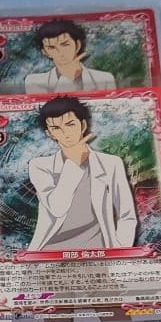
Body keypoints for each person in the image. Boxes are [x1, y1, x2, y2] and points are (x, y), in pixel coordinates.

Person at [27, 96, 137, 251]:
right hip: (50, 251)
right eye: (56, 128)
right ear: (49, 133)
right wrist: (74, 162)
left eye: (70, 124)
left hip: (99, 252)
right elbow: (57, 208)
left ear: (83, 125)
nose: (65, 133)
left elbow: (127, 214)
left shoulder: (110, 164)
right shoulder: (40, 166)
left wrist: (120, 250)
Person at [23, 19, 116, 94]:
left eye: (65, 44)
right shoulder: (34, 82)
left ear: (77, 45)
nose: (60, 52)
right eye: (51, 47)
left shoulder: (105, 79)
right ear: (45, 52)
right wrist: (67, 76)